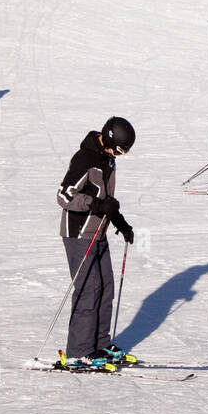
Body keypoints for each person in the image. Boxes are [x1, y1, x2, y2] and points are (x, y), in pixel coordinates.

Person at [56, 116, 136, 366]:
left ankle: (99, 345)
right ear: (108, 138)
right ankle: (79, 350)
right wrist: (95, 204)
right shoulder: (85, 159)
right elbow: (63, 195)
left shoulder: (108, 160)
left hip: (98, 232)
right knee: (89, 290)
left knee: (105, 288)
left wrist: (120, 223)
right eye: (119, 149)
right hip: (79, 234)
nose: (119, 155)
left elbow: (106, 199)